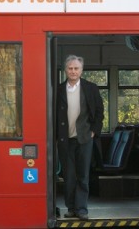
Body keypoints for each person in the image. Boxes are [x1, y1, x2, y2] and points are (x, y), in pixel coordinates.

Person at [56, 55, 104, 220]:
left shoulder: (91, 88)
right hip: (65, 139)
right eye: (70, 68)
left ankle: (82, 209)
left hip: (85, 138)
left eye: (76, 68)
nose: (73, 71)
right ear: (65, 70)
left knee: (83, 175)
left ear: (81, 70)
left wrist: (94, 131)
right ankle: (71, 208)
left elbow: (99, 112)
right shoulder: (58, 89)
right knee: (69, 176)